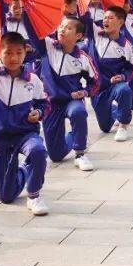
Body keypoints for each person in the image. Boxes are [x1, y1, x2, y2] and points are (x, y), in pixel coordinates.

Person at [0, 32, 51, 215]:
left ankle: (34, 196)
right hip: (1, 140)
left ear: (26, 53)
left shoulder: (33, 80)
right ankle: (24, 169)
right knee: (5, 196)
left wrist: (38, 112)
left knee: (38, 150)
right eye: (8, 52)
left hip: (25, 134)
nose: (13, 58)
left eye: (18, 52)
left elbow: (44, 103)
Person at [36, 16, 99, 170]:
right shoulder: (48, 46)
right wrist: (25, 10)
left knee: (78, 111)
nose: (62, 29)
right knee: (56, 156)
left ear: (78, 36)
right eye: (61, 26)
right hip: (50, 104)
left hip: (71, 100)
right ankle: (74, 136)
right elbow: (33, 33)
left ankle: (80, 153)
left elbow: (96, 82)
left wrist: (85, 92)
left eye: (68, 27)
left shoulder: (83, 58)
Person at [87, 6, 133, 142]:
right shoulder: (96, 34)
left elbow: (131, 69)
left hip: (114, 86)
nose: (105, 21)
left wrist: (123, 76)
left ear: (120, 22)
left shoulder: (126, 46)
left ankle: (123, 126)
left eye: (110, 18)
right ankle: (114, 110)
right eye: (104, 18)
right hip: (97, 89)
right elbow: (85, 16)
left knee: (124, 90)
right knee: (105, 128)